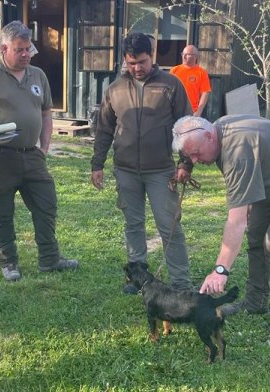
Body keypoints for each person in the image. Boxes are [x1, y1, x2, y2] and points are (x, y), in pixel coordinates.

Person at [172, 114, 270, 338]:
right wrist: (186, 163)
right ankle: (256, 301)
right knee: (256, 235)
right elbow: (191, 143)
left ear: (209, 137)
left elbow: (236, 220)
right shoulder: (213, 130)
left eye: (196, 154)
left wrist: (220, 271)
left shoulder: (237, 154)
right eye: (190, 156)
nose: (196, 160)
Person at [0, 21, 79, 282]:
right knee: (1, 211)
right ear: (4, 48)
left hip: (33, 155)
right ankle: (9, 262)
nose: (26, 54)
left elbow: (46, 112)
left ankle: (50, 260)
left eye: (29, 49)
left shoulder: (37, 74)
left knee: (46, 205)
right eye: (20, 50)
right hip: (0, 156)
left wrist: (45, 147)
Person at [91, 32, 193, 294]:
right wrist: (97, 164)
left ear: (152, 56)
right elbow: (104, 129)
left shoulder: (171, 85)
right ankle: (138, 278)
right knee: (133, 225)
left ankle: (181, 283)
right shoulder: (114, 89)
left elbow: (187, 127)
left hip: (161, 171)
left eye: (142, 62)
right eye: (131, 63)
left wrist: (185, 164)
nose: (137, 68)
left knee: (168, 226)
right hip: (125, 171)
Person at [170, 45, 211, 117]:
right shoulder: (174, 70)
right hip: (174, 110)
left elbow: (205, 93)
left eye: (187, 54)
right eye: (183, 54)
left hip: (192, 112)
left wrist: (199, 111)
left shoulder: (202, 73)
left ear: (195, 56)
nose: (184, 57)